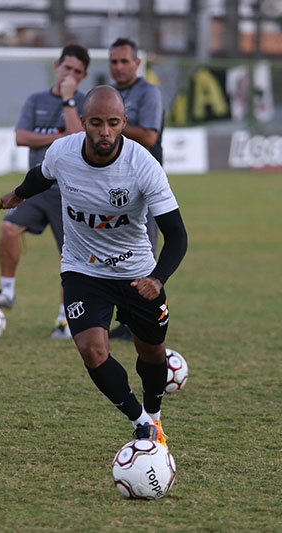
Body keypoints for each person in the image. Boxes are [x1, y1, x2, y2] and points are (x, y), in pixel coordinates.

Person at [0, 86, 188, 446]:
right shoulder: (64, 152)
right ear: (83, 122)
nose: (104, 132)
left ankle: (156, 414)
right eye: (96, 123)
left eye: (113, 123)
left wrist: (157, 279)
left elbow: (177, 236)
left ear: (123, 123)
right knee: (91, 349)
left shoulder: (144, 165)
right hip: (83, 269)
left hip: (136, 274)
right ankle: (141, 423)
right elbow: (42, 175)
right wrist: (18, 195)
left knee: (151, 352)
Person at [0, 44, 90, 339]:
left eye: (78, 72)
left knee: (70, 258)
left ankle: (66, 319)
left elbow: (77, 137)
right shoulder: (35, 100)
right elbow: (20, 137)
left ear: (84, 75)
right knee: (9, 228)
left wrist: (68, 102)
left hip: (71, 192)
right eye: (67, 68)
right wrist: (56, 137)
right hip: (37, 189)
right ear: (57, 66)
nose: (71, 75)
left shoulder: (84, 103)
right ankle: (7, 292)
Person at [107, 37, 165, 341]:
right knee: (120, 253)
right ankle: (128, 322)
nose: (118, 67)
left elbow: (149, 137)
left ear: (137, 63)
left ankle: (149, 321)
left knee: (144, 256)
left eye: (124, 61)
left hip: (145, 186)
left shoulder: (148, 92)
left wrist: (109, 123)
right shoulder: (112, 93)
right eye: (114, 61)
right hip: (117, 185)